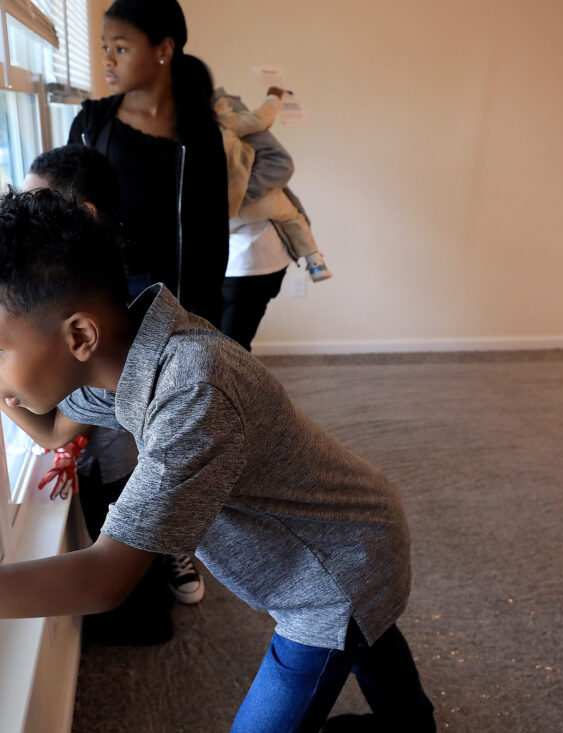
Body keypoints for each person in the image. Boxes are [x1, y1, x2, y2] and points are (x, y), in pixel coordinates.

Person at [0, 188, 435, 731]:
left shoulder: (192, 388)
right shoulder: (129, 350)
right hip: (351, 536)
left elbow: (104, 580)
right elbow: (55, 432)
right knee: (371, 637)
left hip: (333, 572)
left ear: (78, 335)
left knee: (348, 633)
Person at [24, 145, 204, 612]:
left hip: (133, 443)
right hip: (100, 428)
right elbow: (54, 428)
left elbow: (101, 581)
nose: (25, 222)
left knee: (144, 491)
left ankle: (171, 546)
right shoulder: (43, 283)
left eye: (37, 207)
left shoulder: (183, 369)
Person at [68, 0, 228, 327]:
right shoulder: (91, 126)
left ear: (164, 49)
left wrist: (207, 314)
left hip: (183, 298)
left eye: (122, 48)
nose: (108, 60)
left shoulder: (201, 133)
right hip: (111, 294)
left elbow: (214, 231)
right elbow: (66, 212)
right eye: (105, 48)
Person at [215, 86, 332, 282]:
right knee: (293, 216)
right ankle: (315, 262)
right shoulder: (229, 123)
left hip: (223, 215)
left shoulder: (177, 132)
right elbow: (263, 118)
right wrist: (274, 97)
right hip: (252, 200)